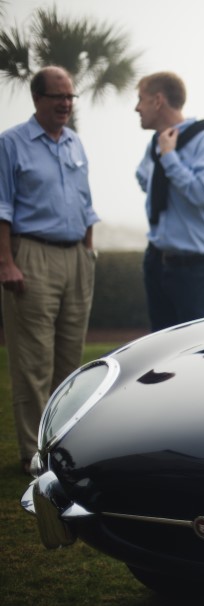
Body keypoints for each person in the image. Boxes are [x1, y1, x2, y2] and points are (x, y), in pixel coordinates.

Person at [0, 66, 99, 475]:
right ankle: (34, 455)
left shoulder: (75, 142)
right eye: (58, 96)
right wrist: (6, 262)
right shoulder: (11, 143)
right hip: (32, 257)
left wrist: (89, 251)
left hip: (77, 257)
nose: (66, 103)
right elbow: (2, 209)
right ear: (37, 99)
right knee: (33, 362)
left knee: (71, 364)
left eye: (71, 97)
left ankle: (65, 449)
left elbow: (86, 202)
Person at [134, 71, 204, 332]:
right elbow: (143, 178)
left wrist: (169, 157)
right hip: (155, 260)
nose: (136, 108)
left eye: (140, 99)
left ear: (158, 101)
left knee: (192, 351)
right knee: (159, 350)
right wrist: (162, 158)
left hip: (193, 268)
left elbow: (202, 194)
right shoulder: (155, 141)